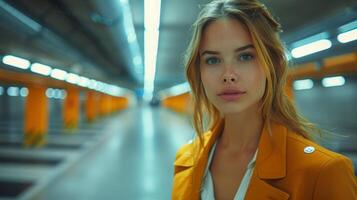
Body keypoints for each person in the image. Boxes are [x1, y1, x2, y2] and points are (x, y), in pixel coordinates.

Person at [172, 0, 357, 199]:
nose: (228, 75)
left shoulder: (324, 172)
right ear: (198, 72)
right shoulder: (186, 159)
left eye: (245, 56)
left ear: (273, 65)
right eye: (213, 60)